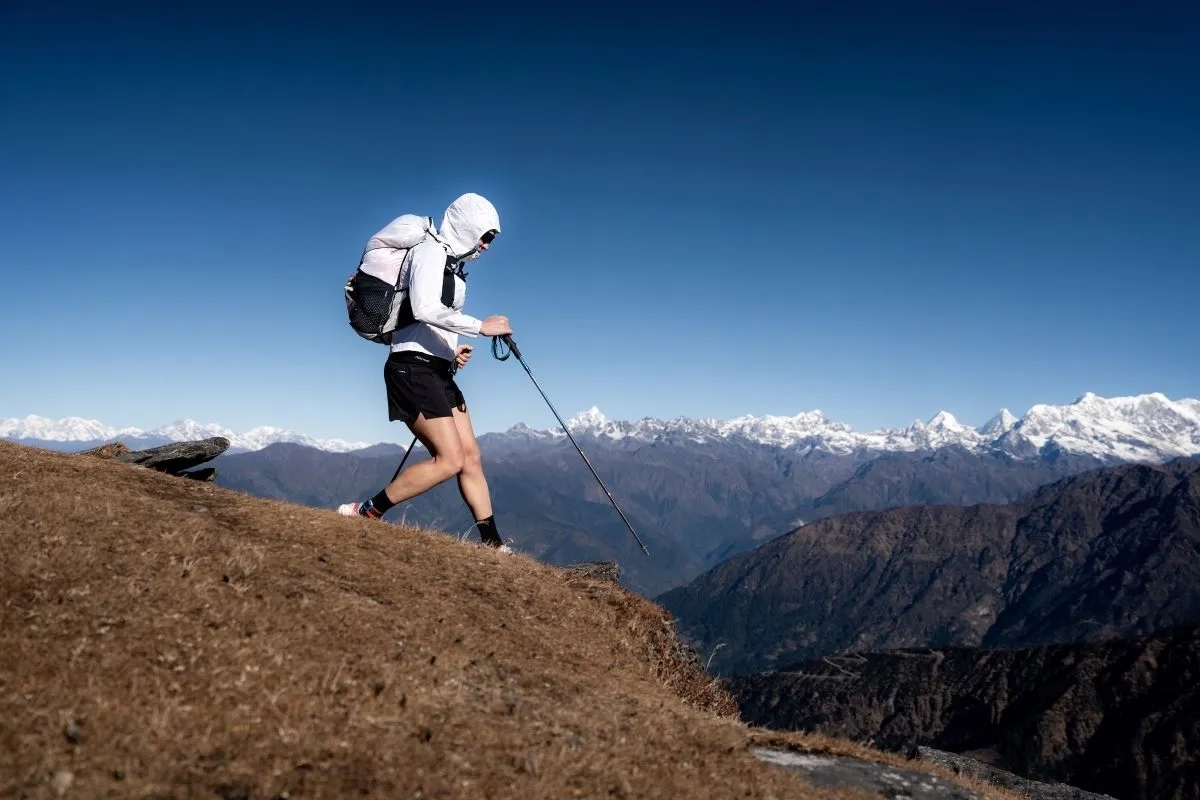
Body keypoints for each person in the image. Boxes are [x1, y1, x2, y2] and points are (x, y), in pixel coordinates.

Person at [338, 192, 514, 552]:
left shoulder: (452, 265)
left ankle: (494, 546)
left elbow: (428, 322)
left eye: (491, 239)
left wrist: (451, 352)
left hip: (435, 369)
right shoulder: (431, 251)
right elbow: (423, 308)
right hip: (410, 370)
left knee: (471, 457)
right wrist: (480, 327)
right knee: (450, 460)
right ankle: (366, 511)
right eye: (484, 236)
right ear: (467, 227)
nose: (485, 246)